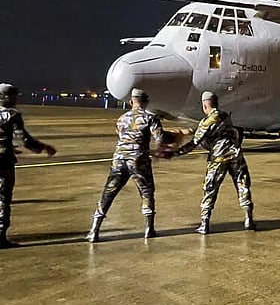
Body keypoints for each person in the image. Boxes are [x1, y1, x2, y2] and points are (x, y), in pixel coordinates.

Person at [168, 91, 255, 234]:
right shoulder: (225, 116)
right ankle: (249, 219)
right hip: (236, 156)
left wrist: (175, 153)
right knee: (242, 186)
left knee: (210, 189)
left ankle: (204, 223)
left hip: (218, 158)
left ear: (204, 105)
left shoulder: (206, 122)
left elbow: (195, 143)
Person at [86, 88, 166, 243]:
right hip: (138, 160)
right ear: (146, 102)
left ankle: (94, 230)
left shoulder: (121, 118)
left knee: (108, 193)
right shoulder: (150, 117)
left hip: (119, 159)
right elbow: (160, 140)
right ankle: (149, 229)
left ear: (131, 102)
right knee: (146, 191)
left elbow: (121, 134)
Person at [0, 83, 57, 248]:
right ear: (6, 97)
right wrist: (44, 147)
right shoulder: (12, 115)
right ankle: (1, 237)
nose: (15, 99)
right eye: (12, 96)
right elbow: (25, 140)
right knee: (3, 199)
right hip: (3, 162)